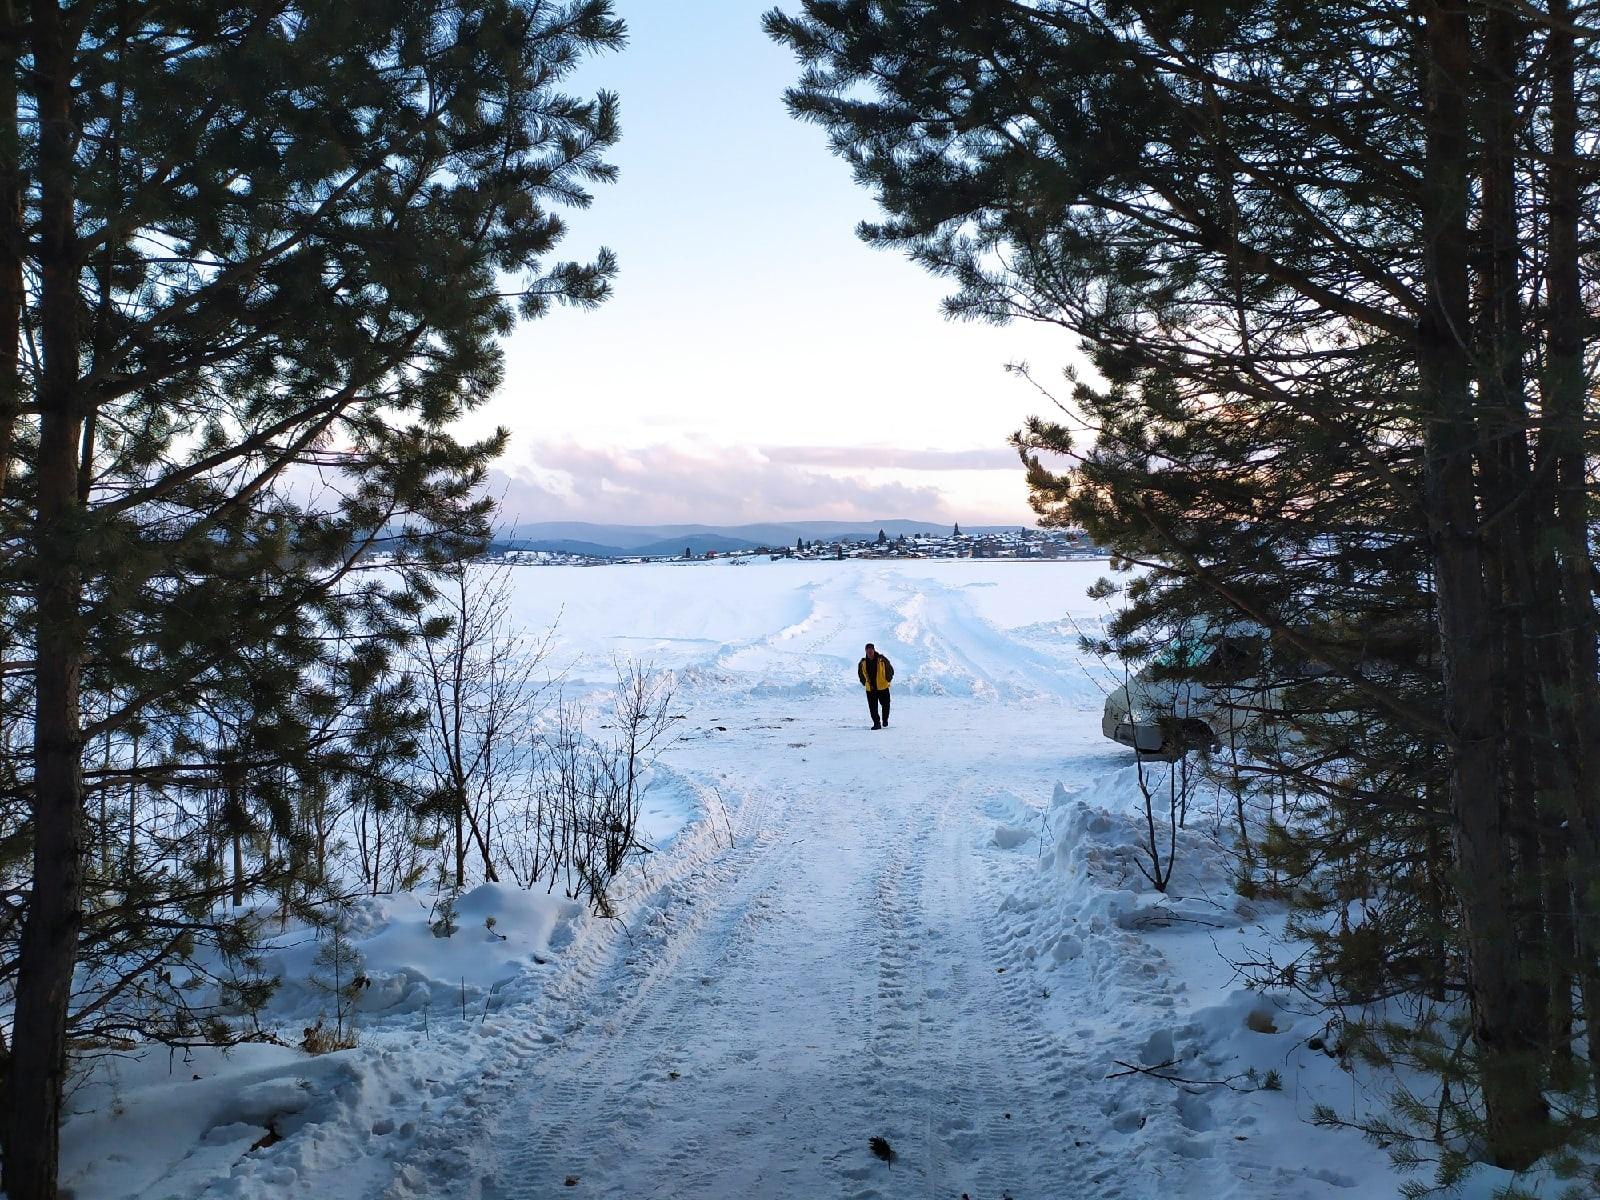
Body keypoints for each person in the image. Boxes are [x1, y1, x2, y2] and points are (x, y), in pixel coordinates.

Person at [857, 643, 895, 729]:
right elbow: (860, 674)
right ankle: (876, 723)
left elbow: (890, 670)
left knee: (886, 705)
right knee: (873, 708)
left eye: (871, 650)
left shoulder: (881, 659)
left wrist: (888, 679)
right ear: (865, 651)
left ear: (874, 650)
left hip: (883, 686)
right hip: (870, 689)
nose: (869, 652)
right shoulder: (863, 662)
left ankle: (885, 719)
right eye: (868, 650)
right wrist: (865, 683)